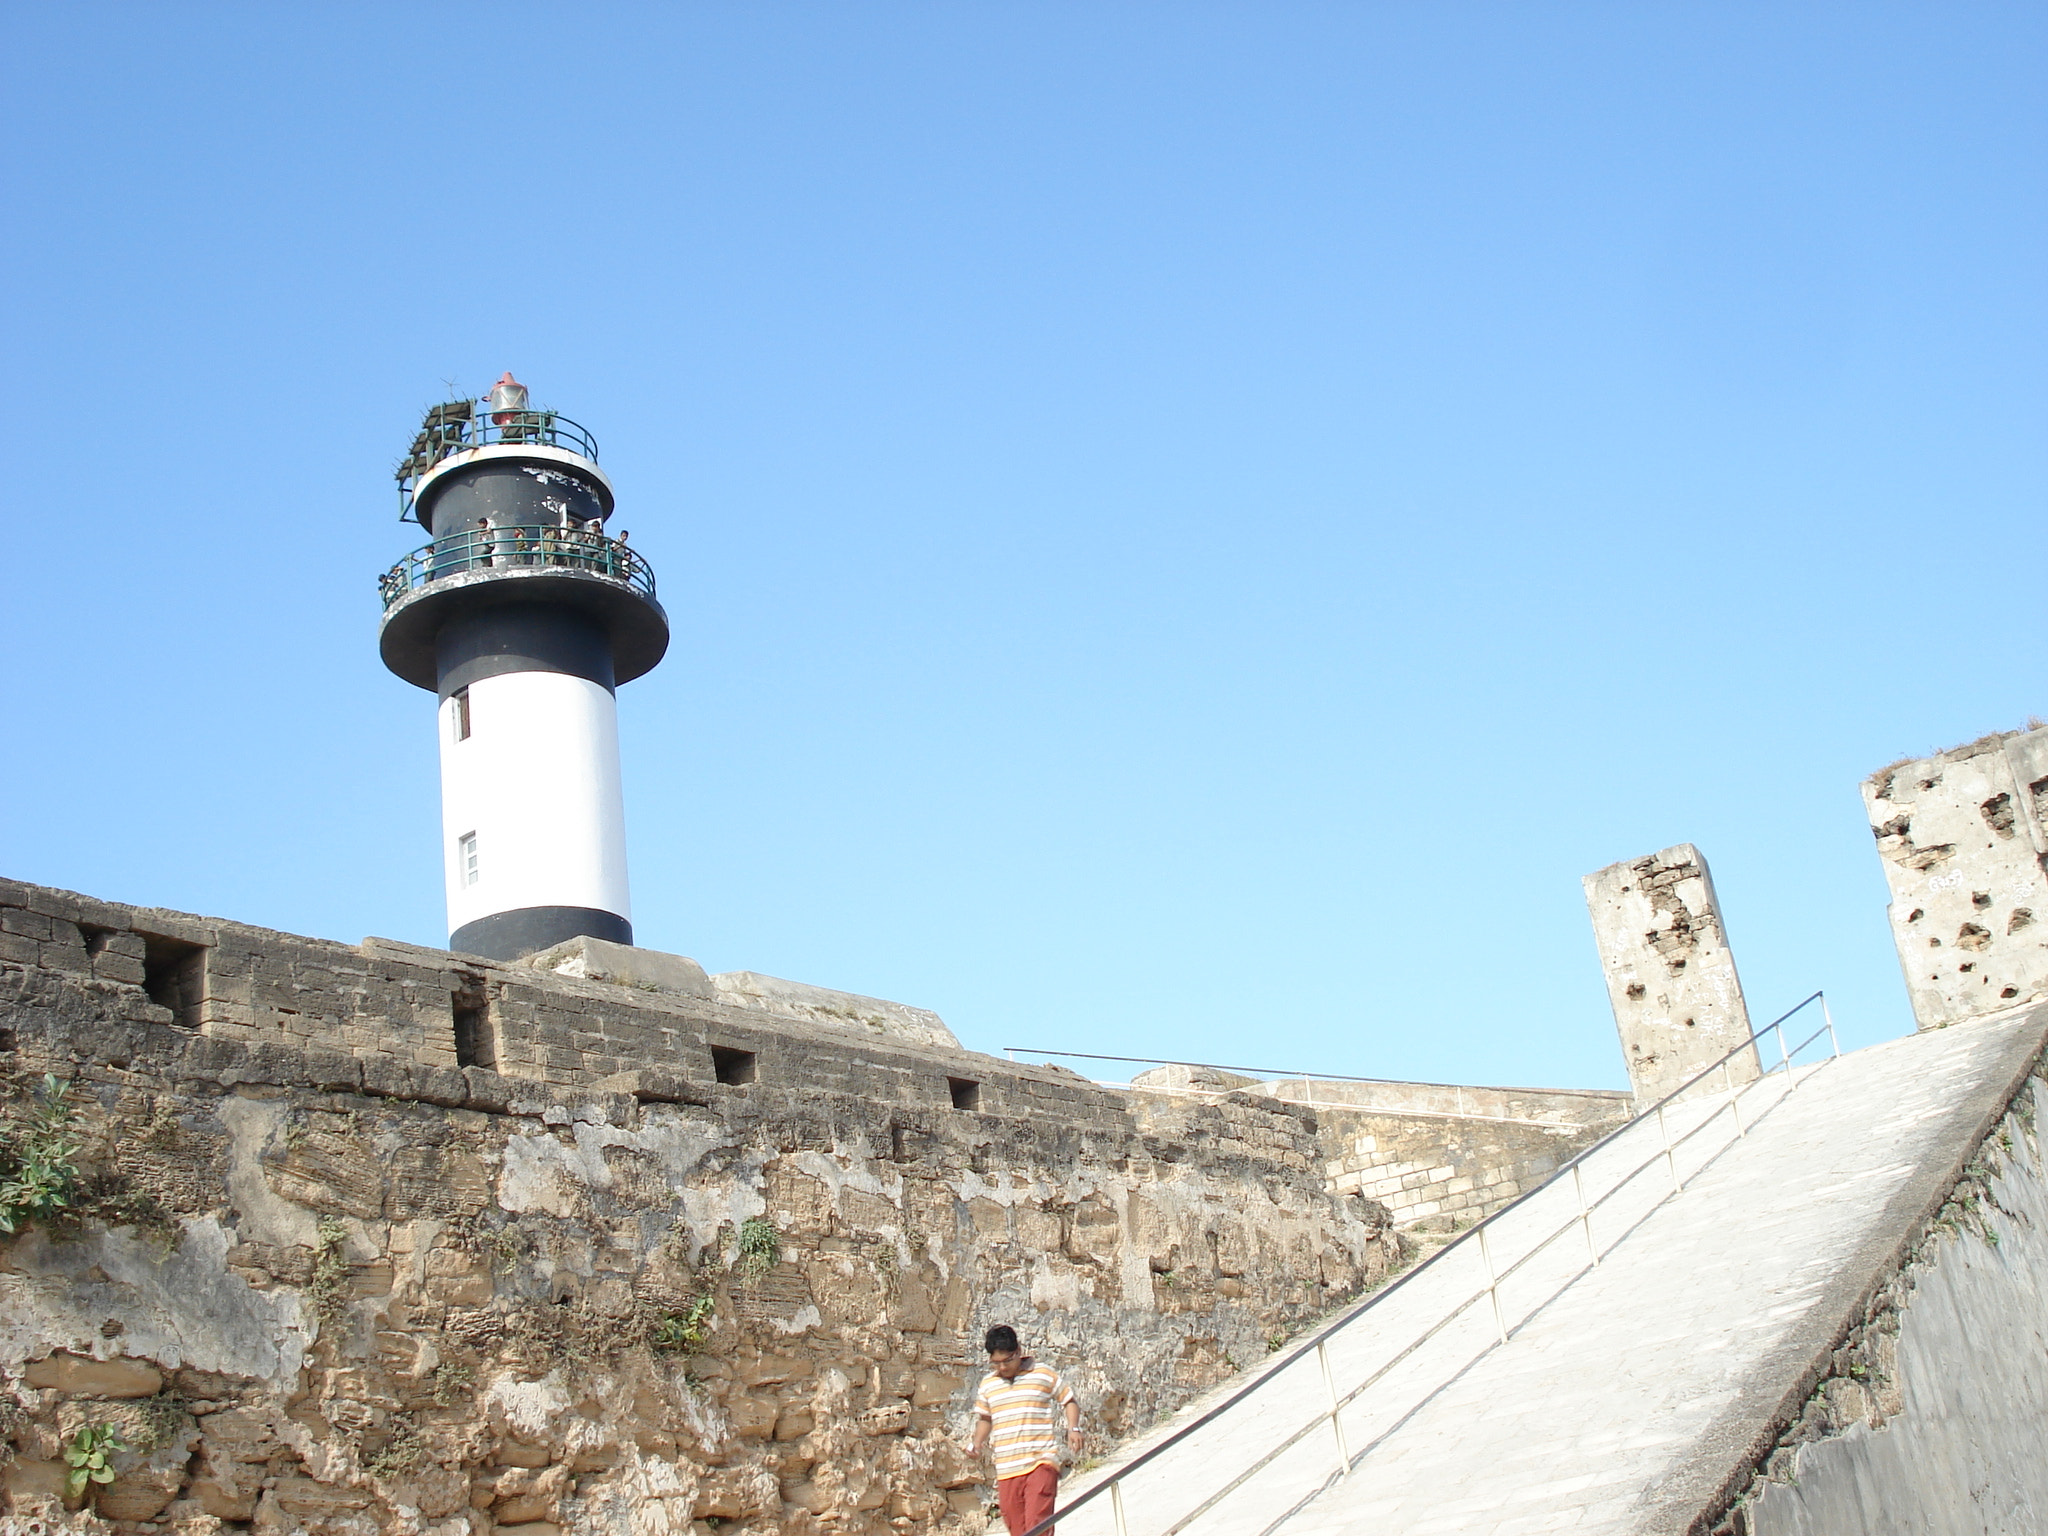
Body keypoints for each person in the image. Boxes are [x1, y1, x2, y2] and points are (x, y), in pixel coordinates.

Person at [970, 1325, 1081, 1536]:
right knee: (1018, 1530)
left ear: (1018, 1351)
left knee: (1038, 1526)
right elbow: (985, 1418)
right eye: (996, 1363)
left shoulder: (1042, 1374)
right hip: (1007, 1469)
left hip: (1041, 1462)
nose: (1002, 1367)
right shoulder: (988, 1385)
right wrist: (976, 1443)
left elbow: (1069, 1400)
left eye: (1007, 1361)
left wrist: (1073, 1428)